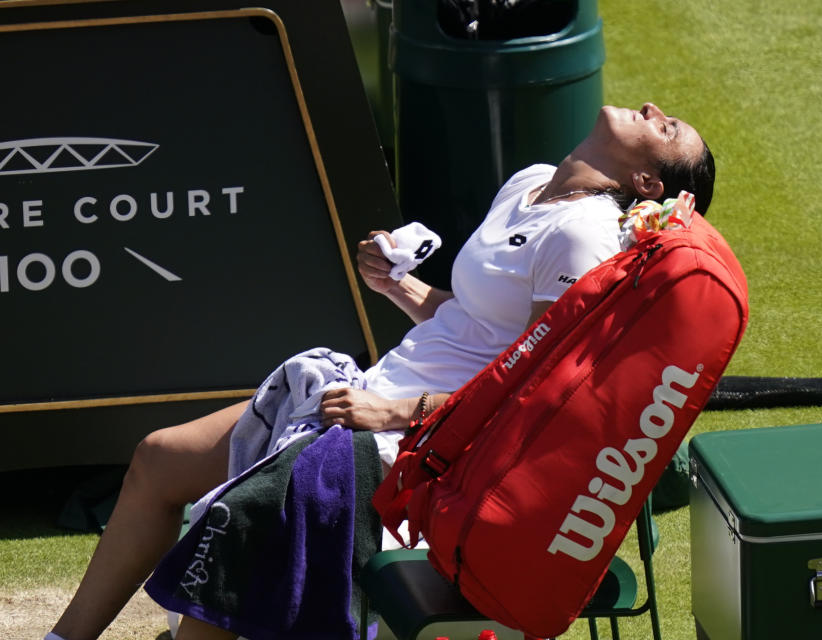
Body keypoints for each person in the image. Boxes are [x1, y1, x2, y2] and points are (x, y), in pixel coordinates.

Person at [46, 102, 715, 640]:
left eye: (667, 128)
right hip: (372, 395)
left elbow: (528, 397)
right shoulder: (530, 183)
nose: (654, 109)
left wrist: (394, 415)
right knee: (158, 459)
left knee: (233, 553)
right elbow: (484, 328)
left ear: (649, 183)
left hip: (426, 442)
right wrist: (400, 286)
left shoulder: (585, 238)